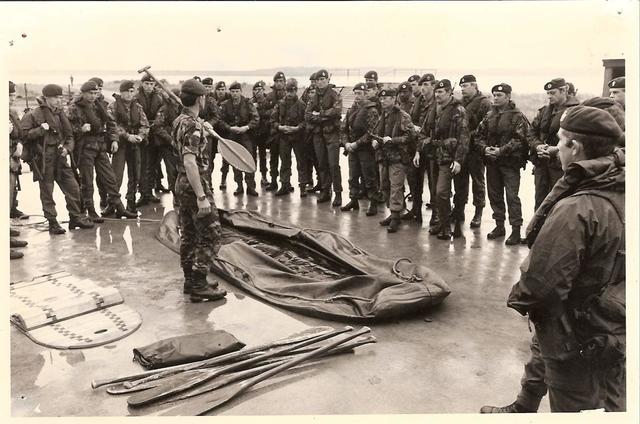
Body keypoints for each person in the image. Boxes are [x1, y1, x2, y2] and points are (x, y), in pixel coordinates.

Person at [482, 106, 625, 413]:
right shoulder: (621, 186)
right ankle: (524, 405)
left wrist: (530, 306)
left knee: (577, 407)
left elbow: (541, 286)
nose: (557, 147)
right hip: (614, 326)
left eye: (561, 141)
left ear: (575, 146)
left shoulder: (578, 207)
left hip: (577, 336)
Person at [172, 78, 227, 302]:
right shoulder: (193, 125)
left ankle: (190, 280)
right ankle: (198, 283)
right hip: (196, 183)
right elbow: (190, 162)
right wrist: (202, 197)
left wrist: (203, 126)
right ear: (201, 98)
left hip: (181, 184)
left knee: (190, 235)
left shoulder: (180, 120)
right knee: (212, 235)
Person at [20, 84, 94, 233]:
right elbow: (23, 136)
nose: (59, 100)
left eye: (60, 97)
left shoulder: (60, 114)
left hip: (60, 157)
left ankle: (75, 217)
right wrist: (41, 129)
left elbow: (69, 135)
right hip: (43, 159)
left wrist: (67, 149)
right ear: (46, 98)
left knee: (73, 188)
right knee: (47, 192)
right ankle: (53, 222)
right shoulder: (33, 115)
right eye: (56, 97)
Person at [66, 80, 137, 221]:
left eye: (95, 93)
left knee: (110, 178)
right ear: (83, 93)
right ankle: (91, 210)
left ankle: (119, 208)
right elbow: (67, 129)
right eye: (90, 93)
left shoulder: (99, 105)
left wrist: (115, 139)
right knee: (87, 180)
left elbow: (111, 123)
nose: (93, 96)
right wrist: (80, 129)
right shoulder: (74, 108)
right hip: (85, 147)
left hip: (100, 146)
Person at [475, 83, 529, 245]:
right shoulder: (489, 116)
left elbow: (520, 139)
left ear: (508, 96)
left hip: (510, 164)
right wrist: (485, 149)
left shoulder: (517, 116)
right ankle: (499, 226)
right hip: (492, 163)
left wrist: (501, 151)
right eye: (494, 95)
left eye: (499, 95)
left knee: (512, 197)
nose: (496, 98)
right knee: (495, 195)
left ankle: (515, 230)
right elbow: (478, 136)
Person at [423, 79, 470, 240]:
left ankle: (448, 227)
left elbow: (464, 137)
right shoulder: (433, 109)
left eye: (441, 92)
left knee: (442, 192)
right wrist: (422, 146)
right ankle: (442, 224)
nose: (437, 94)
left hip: (449, 158)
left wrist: (458, 160)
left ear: (450, 92)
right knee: (436, 193)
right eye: (436, 92)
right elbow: (424, 131)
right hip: (434, 156)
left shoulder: (458, 111)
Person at [528, 78, 579, 211]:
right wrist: (538, 146)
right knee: (540, 200)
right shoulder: (544, 111)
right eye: (548, 93)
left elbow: (577, 137)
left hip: (561, 164)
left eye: (552, 93)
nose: (549, 96)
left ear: (563, 91)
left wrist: (556, 149)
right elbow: (531, 132)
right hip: (541, 163)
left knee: (559, 201)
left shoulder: (575, 111)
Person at [374, 88, 416, 233]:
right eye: (381, 98)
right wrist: (377, 141)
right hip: (384, 157)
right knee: (384, 186)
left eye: (386, 98)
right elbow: (378, 132)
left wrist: (393, 140)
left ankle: (396, 216)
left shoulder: (402, 116)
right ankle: (392, 212)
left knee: (396, 187)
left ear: (394, 99)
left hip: (397, 157)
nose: (383, 100)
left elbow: (410, 136)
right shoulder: (383, 115)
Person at [107, 80, 149, 213]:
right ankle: (112, 203)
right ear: (122, 92)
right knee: (116, 175)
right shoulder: (113, 107)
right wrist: (126, 136)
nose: (131, 94)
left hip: (135, 145)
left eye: (132, 91)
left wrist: (141, 136)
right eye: (128, 91)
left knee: (135, 174)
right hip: (120, 144)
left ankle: (131, 201)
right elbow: (112, 125)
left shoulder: (138, 107)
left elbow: (145, 125)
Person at [455, 74, 491, 230]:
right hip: (462, 150)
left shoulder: (484, 103)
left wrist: (471, 137)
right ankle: (459, 210)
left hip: (475, 150)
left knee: (477, 182)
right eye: (461, 86)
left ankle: (478, 213)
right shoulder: (460, 103)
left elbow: (487, 127)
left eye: (466, 86)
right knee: (460, 181)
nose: (462, 89)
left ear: (474, 86)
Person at [305, 69, 344, 206]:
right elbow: (307, 115)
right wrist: (324, 116)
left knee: (333, 165)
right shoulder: (313, 97)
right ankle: (326, 191)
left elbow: (337, 111)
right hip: (318, 135)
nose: (320, 82)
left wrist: (319, 114)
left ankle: (338, 193)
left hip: (332, 133)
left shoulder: (334, 95)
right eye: (318, 80)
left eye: (323, 79)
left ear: (328, 80)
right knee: (322, 164)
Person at [342, 82, 380, 215]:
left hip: (365, 149)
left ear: (365, 94)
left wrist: (356, 143)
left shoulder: (371, 110)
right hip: (352, 148)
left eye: (360, 93)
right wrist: (346, 143)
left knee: (369, 177)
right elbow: (344, 129)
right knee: (353, 176)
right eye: (355, 93)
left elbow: (372, 132)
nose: (357, 96)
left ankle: (373, 202)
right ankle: (353, 200)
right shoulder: (351, 110)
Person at [218, 81, 260, 196]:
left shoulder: (247, 103)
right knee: (235, 161)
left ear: (241, 92)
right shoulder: (226, 105)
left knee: (249, 160)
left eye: (237, 91)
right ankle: (239, 186)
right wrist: (229, 128)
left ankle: (251, 187)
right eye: (233, 92)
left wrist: (246, 127)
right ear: (230, 92)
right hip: (232, 136)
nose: (235, 94)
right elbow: (220, 120)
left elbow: (256, 118)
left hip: (246, 136)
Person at [271, 78, 310, 196]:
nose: (289, 94)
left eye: (292, 91)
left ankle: (303, 186)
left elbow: (306, 121)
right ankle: (284, 184)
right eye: (287, 91)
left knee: (301, 162)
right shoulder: (280, 104)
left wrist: (297, 128)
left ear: (296, 91)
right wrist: (279, 127)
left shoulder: (302, 105)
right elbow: (273, 120)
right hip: (284, 137)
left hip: (298, 137)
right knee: (284, 162)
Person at [408, 73, 437, 223]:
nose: (423, 88)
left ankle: (435, 215)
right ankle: (416, 211)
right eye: (422, 85)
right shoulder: (418, 101)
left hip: (432, 147)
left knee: (434, 182)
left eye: (426, 85)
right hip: (417, 146)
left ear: (433, 85)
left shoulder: (437, 103)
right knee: (415, 180)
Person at [135, 74, 164, 206]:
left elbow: (163, 111)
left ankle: (150, 191)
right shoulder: (136, 98)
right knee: (142, 165)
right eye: (146, 84)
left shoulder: (159, 97)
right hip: (140, 134)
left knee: (153, 164)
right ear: (142, 84)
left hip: (155, 134)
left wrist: (158, 121)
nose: (149, 86)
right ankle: (143, 193)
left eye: (151, 84)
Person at [9, 81, 28, 259]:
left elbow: (20, 133)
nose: (12, 98)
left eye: (13, 95)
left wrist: (20, 144)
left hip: (12, 160)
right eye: (9, 95)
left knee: (8, 199)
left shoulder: (12, 112)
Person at [151, 88, 181, 199]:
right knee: (172, 171)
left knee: (182, 170)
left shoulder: (182, 109)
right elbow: (157, 127)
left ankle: (182, 194)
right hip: (168, 145)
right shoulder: (164, 109)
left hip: (180, 144)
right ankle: (176, 195)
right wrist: (170, 139)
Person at [265, 71, 287, 192]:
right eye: (277, 81)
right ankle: (273, 181)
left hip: (285, 133)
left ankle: (285, 182)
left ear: (284, 83)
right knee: (273, 159)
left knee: (285, 159)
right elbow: (263, 113)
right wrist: (274, 112)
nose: (279, 83)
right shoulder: (269, 97)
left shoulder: (288, 95)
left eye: (281, 81)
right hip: (273, 133)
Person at [199, 77, 221, 189]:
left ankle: (208, 185)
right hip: (195, 132)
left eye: (209, 87)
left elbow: (216, 116)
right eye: (205, 86)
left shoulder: (211, 101)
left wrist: (208, 125)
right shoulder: (195, 98)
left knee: (208, 160)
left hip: (207, 134)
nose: (207, 89)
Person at [250, 80, 271, 186]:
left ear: (263, 90)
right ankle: (252, 178)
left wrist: (260, 109)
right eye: (256, 90)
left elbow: (271, 113)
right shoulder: (250, 102)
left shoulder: (268, 101)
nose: (258, 92)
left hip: (264, 133)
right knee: (252, 156)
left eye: (260, 89)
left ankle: (264, 176)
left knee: (263, 156)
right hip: (253, 133)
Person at [213, 81, 231, 190]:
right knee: (210, 158)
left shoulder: (229, 99)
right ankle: (208, 181)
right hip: (214, 132)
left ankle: (223, 180)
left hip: (225, 133)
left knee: (226, 159)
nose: (221, 92)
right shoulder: (211, 99)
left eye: (223, 89)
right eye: (219, 90)